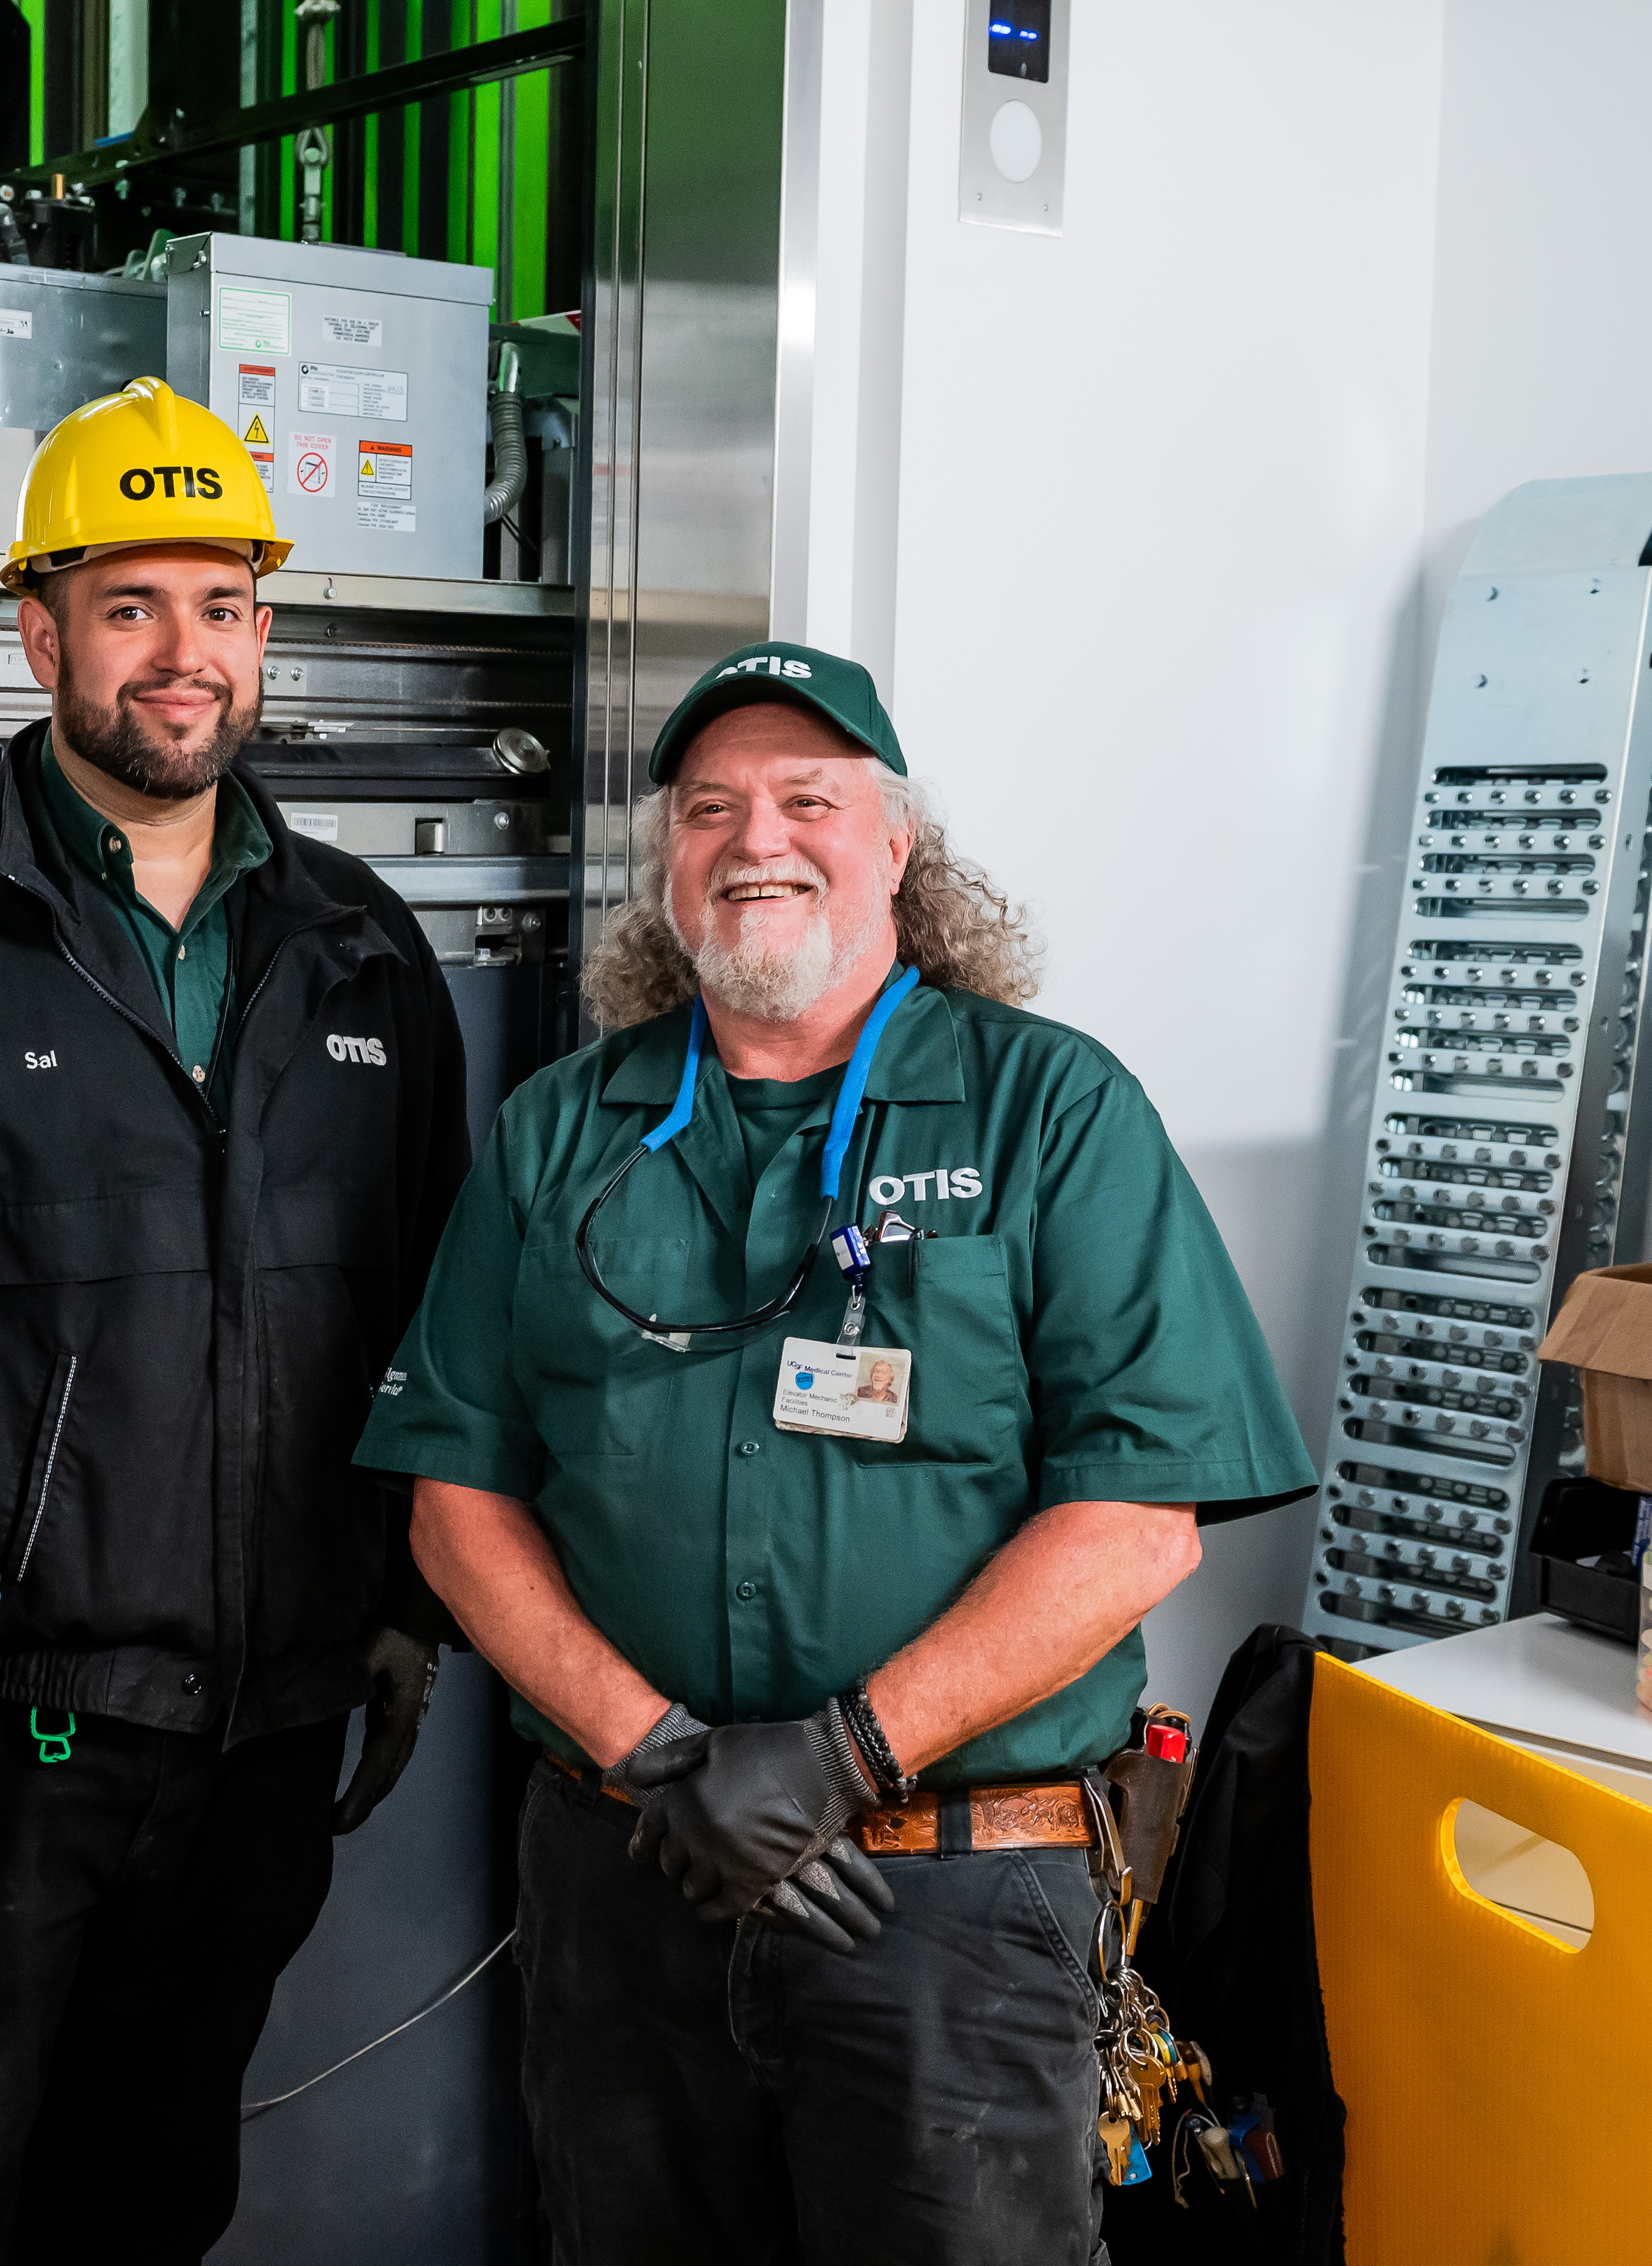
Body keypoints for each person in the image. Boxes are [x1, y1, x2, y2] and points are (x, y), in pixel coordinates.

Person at [356, 642, 1318, 2264]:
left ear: (898, 847)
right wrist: (660, 1752)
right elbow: (459, 1500)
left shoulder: (1051, 1114)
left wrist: (845, 1753)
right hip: (629, 1881)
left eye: (810, 799)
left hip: (943, 1906)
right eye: (711, 806)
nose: (757, 840)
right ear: (669, 859)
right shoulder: (562, 1130)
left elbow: (1139, 1520)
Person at [0, 378, 470, 2265]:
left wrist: (407, 1611)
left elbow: (437, 1317)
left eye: (226, 606)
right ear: (41, 632)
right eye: (133, 607)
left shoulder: (360, 945)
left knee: (155, 2197)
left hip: (263, 1743)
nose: (188, 657)